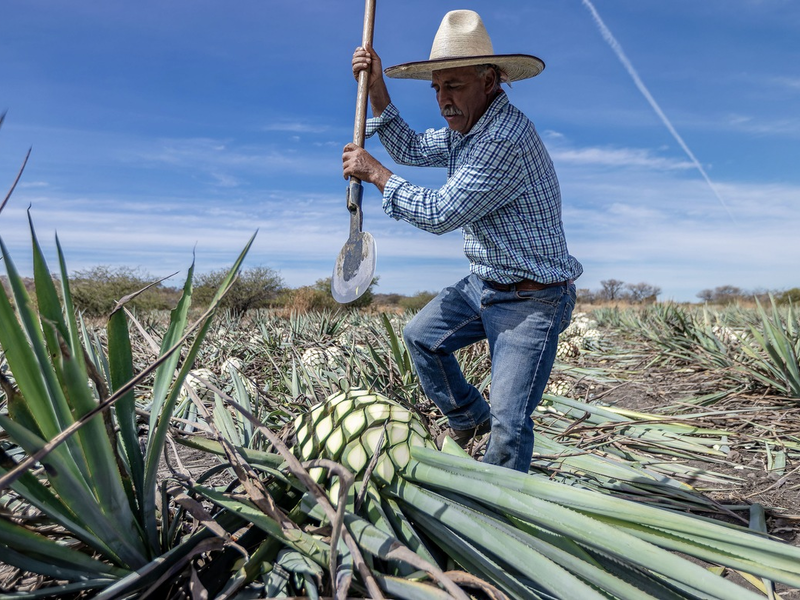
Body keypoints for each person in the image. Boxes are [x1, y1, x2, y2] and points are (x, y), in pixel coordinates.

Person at [342, 9, 583, 472]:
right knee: (422, 337)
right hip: (485, 282)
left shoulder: (502, 138)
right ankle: (470, 418)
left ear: (489, 81)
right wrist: (376, 87)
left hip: (531, 298)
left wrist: (374, 173)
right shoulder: (466, 131)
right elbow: (411, 147)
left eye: (453, 85)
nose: (443, 100)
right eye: (436, 88)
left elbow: (439, 214)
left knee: (510, 424)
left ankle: (498, 514)